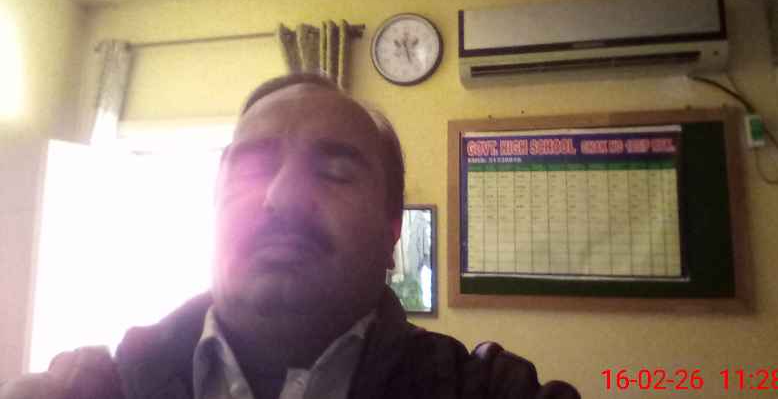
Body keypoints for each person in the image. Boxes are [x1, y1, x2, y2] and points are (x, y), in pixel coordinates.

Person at [0, 73, 580, 399]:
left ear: (392, 231)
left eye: (336, 171)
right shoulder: (95, 391)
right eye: (253, 168)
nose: (281, 196)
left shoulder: (490, 393)